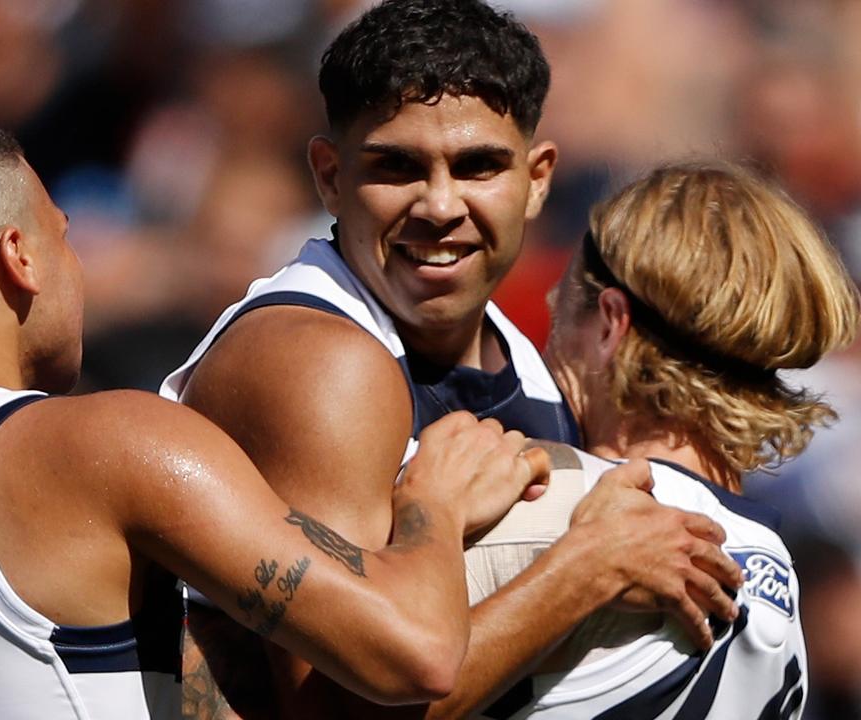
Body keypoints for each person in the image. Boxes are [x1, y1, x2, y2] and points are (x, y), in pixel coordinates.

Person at [0, 115, 554, 719]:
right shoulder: (99, 444)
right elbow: (412, 655)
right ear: (19, 259)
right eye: (64, 239)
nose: (78, 270)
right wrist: (436, 505)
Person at [159, 1, 743, 717]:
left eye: (477, 167)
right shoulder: (317, 362)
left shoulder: (531, 368)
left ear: (537, 179)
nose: (439, 205)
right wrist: (584, 571)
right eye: (397, 166)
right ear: (328, 175)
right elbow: (332, 712)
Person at [461, 162, 861, 718]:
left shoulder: (540, 507)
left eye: (562, 306)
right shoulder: (779, 577)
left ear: (610, 324)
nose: (547, 345)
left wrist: (426, 516)